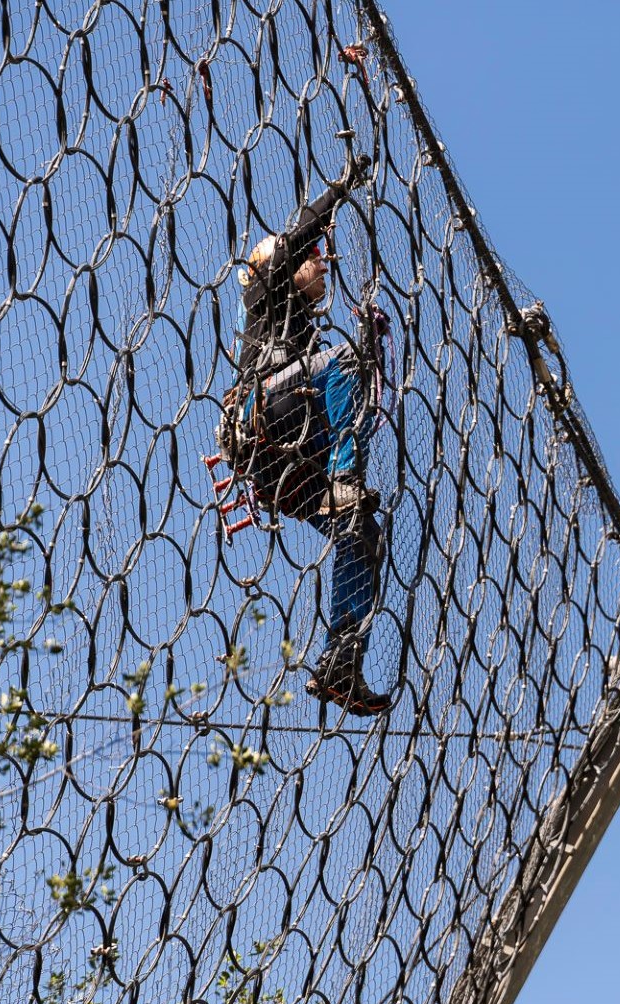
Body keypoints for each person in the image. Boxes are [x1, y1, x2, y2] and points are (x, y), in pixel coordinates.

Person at [214, 154, 391, 716]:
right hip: (264, 414)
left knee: (362, 530)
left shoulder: (302, 327)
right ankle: (343, 475)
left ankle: (342, 660)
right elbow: (296, 236)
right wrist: (341, 188)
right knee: (341, 362)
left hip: (288, 463)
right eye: (313, 260)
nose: (321, 265)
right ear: (285, 267)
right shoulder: (264, 293)